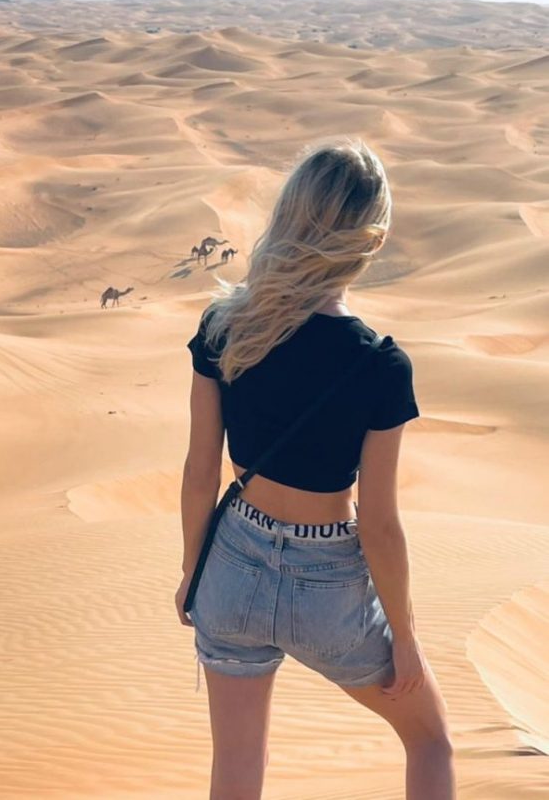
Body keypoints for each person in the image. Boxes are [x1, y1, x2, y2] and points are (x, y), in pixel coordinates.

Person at [176, 137, 456, 800]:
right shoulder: (380, 365)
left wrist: (193, 572)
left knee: (237, 765)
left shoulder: (225, 326)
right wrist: (405, 636)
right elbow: (380, 525)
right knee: (431, 741)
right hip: (328, 582)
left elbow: (199, 470)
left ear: (290, 214)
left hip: (231, 565)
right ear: (369, 239)